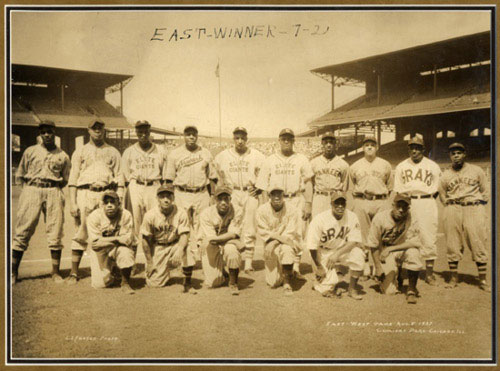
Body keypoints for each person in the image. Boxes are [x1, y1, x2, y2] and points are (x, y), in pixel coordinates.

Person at [12, 120, 71, 284]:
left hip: (53, 190)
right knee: (23, 229)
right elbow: (21, 174)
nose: (47, 135)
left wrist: (52, 187)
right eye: (43, 132)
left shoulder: (62, 155)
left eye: (50, 131)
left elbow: (65, 178)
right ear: (40, 134)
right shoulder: (30, 151)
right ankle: (13, 272)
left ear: (54, 133)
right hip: (32, 190)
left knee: (56, 230)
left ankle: (55, 273)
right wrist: (29, 191)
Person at [67, 120, 124, 284]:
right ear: (88, 131)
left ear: (104, 130)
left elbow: (119, 177)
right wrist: (73, 203)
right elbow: (73, 179)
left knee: (109, 230)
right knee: (81, 231)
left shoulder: (113, 151)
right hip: (85, 192)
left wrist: (118, 198)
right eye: (94, 129)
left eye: (100, 128)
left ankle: (112, 270)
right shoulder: (81, 151)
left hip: (106, 194)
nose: (98, 131)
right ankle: (73, 272)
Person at [255, 128, 313, 278]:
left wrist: (308, 203)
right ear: (279, 141)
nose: (286, 141)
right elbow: (261, 185)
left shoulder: (302, 159)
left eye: (289, 138)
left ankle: (295, 266)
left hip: (295, 197)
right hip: (275, 200)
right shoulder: (270, 160)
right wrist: (263, 205)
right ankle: (279, 264)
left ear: (294, 141)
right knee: (275, 232)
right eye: (284, 138)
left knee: (298, 233)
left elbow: (308, 182)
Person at [439, 143, 490, 292]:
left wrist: (479, 204)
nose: (456, 155)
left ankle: (482, 279)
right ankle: (453, 277)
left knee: (477, 240)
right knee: (452, 242)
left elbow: (485, 190)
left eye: (459, 152)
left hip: (473, 207)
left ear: (464, 154)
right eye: (453, 153)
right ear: (450, 156)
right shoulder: (446, 174)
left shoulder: (476, 170)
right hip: (453, 208)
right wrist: (448, 204)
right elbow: (442, 194)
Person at [214, 126, 265, 273]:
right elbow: (216, 175)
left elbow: (265, 174)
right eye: (237, 138)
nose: (240, 141)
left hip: (250, 193)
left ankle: (248, 262)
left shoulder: (257, 155)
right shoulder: (223, 155)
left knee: (250, 227)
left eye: (243, 138)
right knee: (230, 226)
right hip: (232, 193)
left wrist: (259, 188)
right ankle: (229, 259)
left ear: (246, 139)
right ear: (233, 139)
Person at [165, 125, 218, 261]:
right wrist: (170, 198)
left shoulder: (206, 153)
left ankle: (204, 259)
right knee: (182, 225)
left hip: (201, 192)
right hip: (181, 193)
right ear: (184, 136)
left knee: (202, 225)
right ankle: (185, 259)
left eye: (194, 134)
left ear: (197, 136)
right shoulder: (174, 154)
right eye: (188, 134)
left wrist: (212, 196)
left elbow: (212, 177)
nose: (191, 137)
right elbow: (169, 179)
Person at [394, 136, 441, 286]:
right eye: (412, 147)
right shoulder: (401, 166)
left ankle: (429, 273)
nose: (414, 150)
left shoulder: (432, 165)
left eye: (417, 147)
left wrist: (428, 199)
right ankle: (401, 272)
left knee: (429, 235)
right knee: (405, 235)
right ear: (408, 149)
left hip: (427, 201)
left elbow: (438, 188)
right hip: (408, 202)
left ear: (423, 149)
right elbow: (398, 190)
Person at [121, 120, 168, 270]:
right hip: (136, 186)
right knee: (134, 224)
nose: (143, 135)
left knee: (155, 223)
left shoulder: (160, 150)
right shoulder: (129, 151)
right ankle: (131, 263)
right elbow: (125, 175)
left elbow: (165, 174)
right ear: (136, 132)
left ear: (149, 132)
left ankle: (154, 261)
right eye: (140, 132)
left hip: (154, 186)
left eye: (146, 132)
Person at [306, 192, 365, 299]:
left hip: (340, 250)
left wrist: (337, 254)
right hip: (322, 252)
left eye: (343, 203)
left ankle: (352, 289)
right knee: (327, 288)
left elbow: (354, 240)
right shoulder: (320, 219)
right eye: (337, 203)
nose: (340, 206)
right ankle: (321, 279)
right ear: (331, 204)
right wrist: (319, 267)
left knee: (358, 254)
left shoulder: (352, 216)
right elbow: (312, 246)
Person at [367, 193, 423, 304]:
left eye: (405, 207)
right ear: (393, 205)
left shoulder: (412, 216)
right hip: (384, 252)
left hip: (399, 249)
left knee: (414, 253)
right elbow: (373, 245)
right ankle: (396, 274)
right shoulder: (380, 218)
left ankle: (411, 290)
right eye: (398, 206)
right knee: (389, 292)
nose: (401, 210)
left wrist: (391, 249)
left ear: (408, 208)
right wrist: (378, 267)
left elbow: (415, 242)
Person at [349, 135, 392, 279]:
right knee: (363, 236)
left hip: (380, 200)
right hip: (362, 200)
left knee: (380, 235)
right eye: (367, 145)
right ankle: (366, 267)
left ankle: (377, 267)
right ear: (363, 147)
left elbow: (389, 186)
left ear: (377, 147)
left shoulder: (385, 164)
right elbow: (352, 186)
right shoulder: (355, 165)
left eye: (372, 145)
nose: (369, 147)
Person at [140, 184, 196, 293]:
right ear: (157, 199)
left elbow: (184, 235)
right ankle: (163, 272)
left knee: (187, 250)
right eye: (162, 197)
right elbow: (145, 240)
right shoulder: (150, 215)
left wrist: (179, 250)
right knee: (154, 284)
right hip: (158, 247)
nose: (166, 200)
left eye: (169, 196)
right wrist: (149, 262)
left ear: (173, 198)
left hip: (175, 244)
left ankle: (187, 283)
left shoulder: (181, 212)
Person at [86, 190, 136, 294]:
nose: (109, 205)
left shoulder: (125, 215)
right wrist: (117, 239)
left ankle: (125, 283)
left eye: (113, 202)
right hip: (101, 251)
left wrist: (105, 241)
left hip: (117, 248)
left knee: (126, 252)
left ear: (119, 203)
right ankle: (113, 270)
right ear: (102, 205)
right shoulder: (94, 216)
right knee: (100, 285)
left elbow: (126, 240)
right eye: (106, 202)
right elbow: (95, 244)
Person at [198, 186, 244, 295]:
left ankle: (233, 283)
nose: (223, 202)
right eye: (220, 199)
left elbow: (233, 234)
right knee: (214, 283)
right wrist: (234, 240)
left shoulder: (237, 210)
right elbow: (212, 240)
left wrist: (232, 240)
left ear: (230, 199)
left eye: (226, 199)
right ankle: (221, 269)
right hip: (211, 243)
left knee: (231, 250)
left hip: (224, 241)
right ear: (214, 200)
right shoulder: (206, 213)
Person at [255, 187, 301, 296]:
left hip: (285, 242)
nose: (276, 197)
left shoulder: (292, 209)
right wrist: (273, 242)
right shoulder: (261, 210)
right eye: (273, 194)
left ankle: (287, 282)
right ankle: (287, 272)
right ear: (269, 196)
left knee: (287, 249)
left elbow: (289, 234)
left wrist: (274, 242)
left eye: (279, 195)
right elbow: (264, 232)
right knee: (273, 282)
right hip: (269, 243)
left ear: (283, 196)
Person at [310, 131, 349, 217]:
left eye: (331, 142)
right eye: (326, 142)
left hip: (335, 199)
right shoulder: (313, 163)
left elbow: (345, 187)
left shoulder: (343, 164)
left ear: (335, 144)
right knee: (317, 224)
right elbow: (311, 184)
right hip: (319, 198)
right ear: (322, 144)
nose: (328, 145)